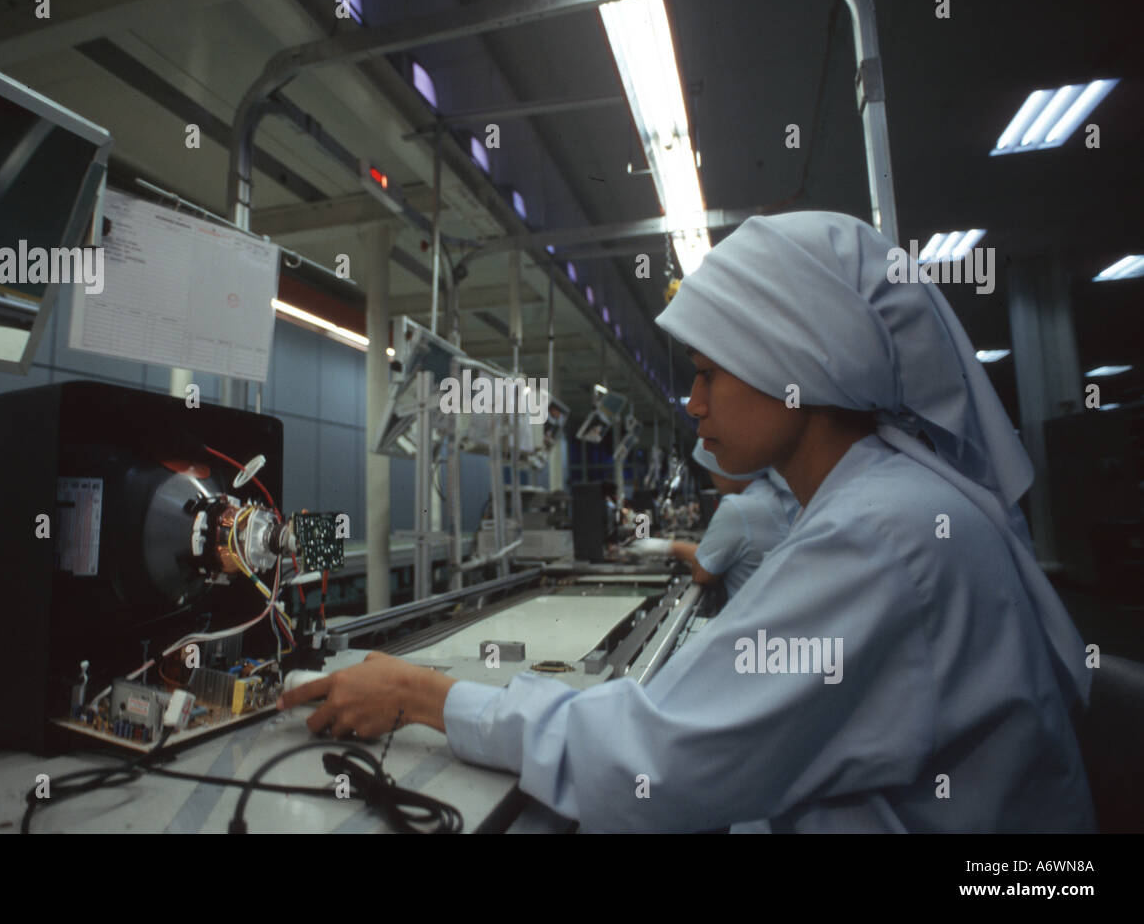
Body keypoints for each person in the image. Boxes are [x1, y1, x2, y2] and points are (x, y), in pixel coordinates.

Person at [281, 212, 1095, 832]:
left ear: (795, 370)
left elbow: (655, 762)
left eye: (708, 373)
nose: (694, 403)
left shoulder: (885, 535)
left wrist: (421, 693)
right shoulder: (881, 505)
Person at [631, 440, 798, 595]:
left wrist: (668, 548)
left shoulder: (738, 507)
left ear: (725, 467)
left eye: (710, 471)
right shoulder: (769, 495)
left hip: (756, 621)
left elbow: (703, 573)